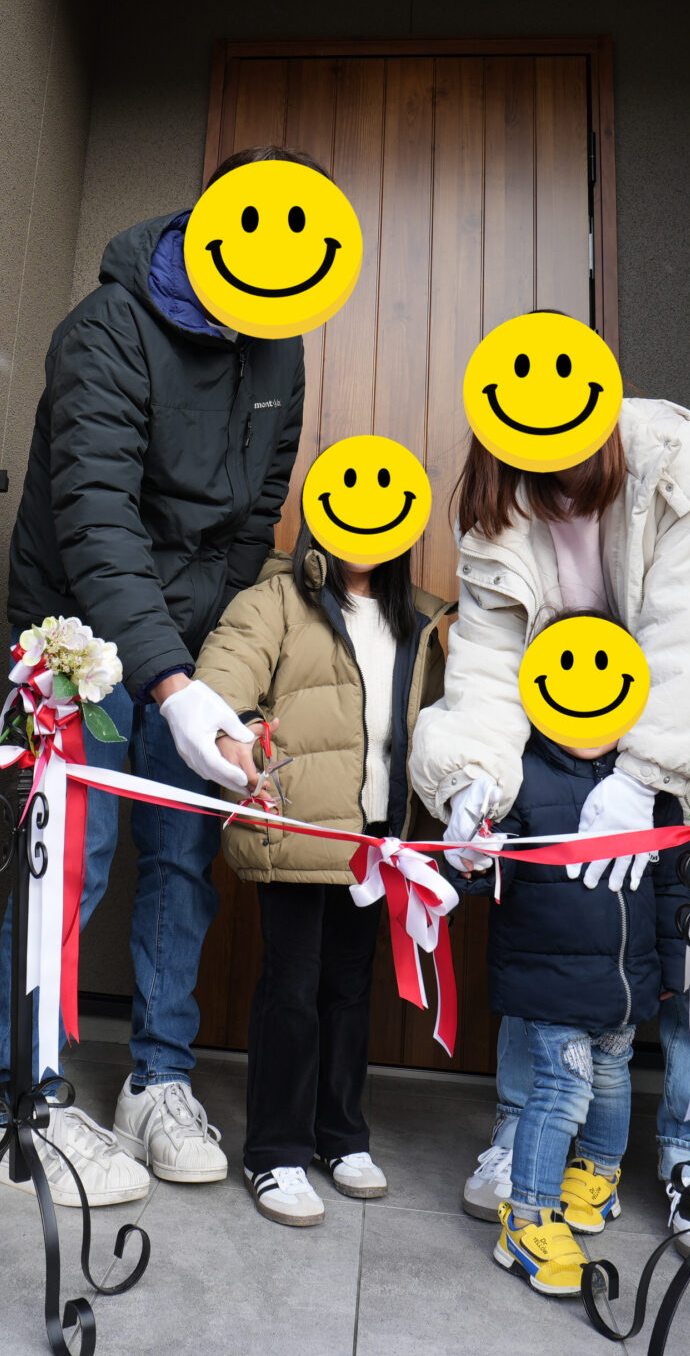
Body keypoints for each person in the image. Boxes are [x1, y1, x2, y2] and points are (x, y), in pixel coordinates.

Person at [0, 146, 315, 1207]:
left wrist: (211, 663)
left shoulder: (281, 345)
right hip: (80, 631)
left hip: (191, 642)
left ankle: (158, 1081)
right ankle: (21, 1100)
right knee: (70, 862)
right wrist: (169, 682)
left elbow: (253, 517)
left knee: (182, 859)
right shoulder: (105, 330)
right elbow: (96, 518)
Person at [408, 378, 690, 1245]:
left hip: (686, 738)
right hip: (558, 741)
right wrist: (471, 778)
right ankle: (521, 1127)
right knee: (547, 918)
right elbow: (489, 663)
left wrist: (645, 773)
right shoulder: (496, 507)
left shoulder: (678, 470)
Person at [191, 524, 449, 1226]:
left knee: (350, 989)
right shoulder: (275, 599)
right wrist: (238, 732)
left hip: (375, 837)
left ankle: (342, 1135)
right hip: (299, 828)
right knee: (292, 987)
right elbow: (224, 675)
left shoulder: (419, 617)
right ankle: (274, 1151)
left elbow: (436, 723)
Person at [478, 615, 663, 1294]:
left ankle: (599, 1177)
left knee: (613, 1074)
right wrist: (469, 853)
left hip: (624, 979)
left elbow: (672, 880)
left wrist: (669, 969)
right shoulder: (518, 775)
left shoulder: (649, 782)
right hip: (549, 978)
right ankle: (526, 1218)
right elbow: (482, 867)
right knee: (561, 1087)